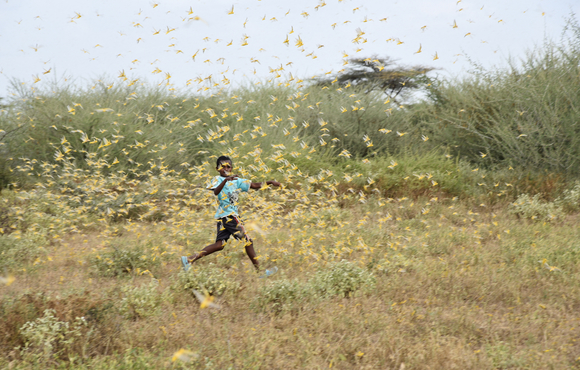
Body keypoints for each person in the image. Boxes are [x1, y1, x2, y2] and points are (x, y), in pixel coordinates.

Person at [181, 155, 281, 272]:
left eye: (228, 166)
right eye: (223, 166)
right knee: (247, 241)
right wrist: (225, 180)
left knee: (219, 245)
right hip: (228, 216)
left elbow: (254, 185)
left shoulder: (236, 181)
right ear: (217, 168)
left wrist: (270, 182)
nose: (226, 168)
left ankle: (189, 260)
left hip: (225, 217)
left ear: (231, 168)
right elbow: (216, 192)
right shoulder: (217, 180)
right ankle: (260, 271)